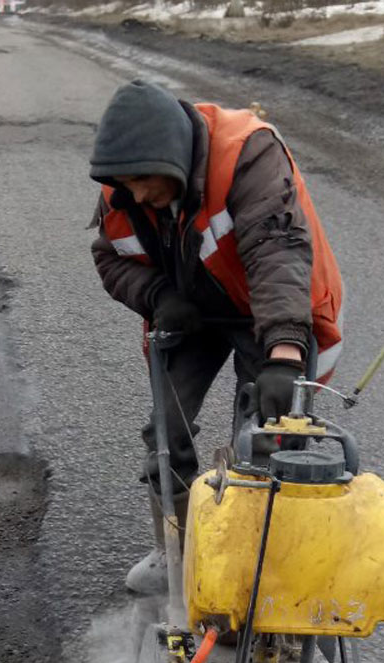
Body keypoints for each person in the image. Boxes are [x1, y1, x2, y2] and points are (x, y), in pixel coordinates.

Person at [88, 80, 345, 595]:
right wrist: (159, 294)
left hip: (269, 310)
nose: (136, 194)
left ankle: (256, 571)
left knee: (269, 437)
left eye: (143, 180)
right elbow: (109, 258)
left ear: (172, 156)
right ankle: (176, 553)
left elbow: (278, 252)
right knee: (166, 430)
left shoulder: (248, 153)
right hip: (193, 312)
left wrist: (284, 353)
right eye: (127, 183)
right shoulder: (124, 188)